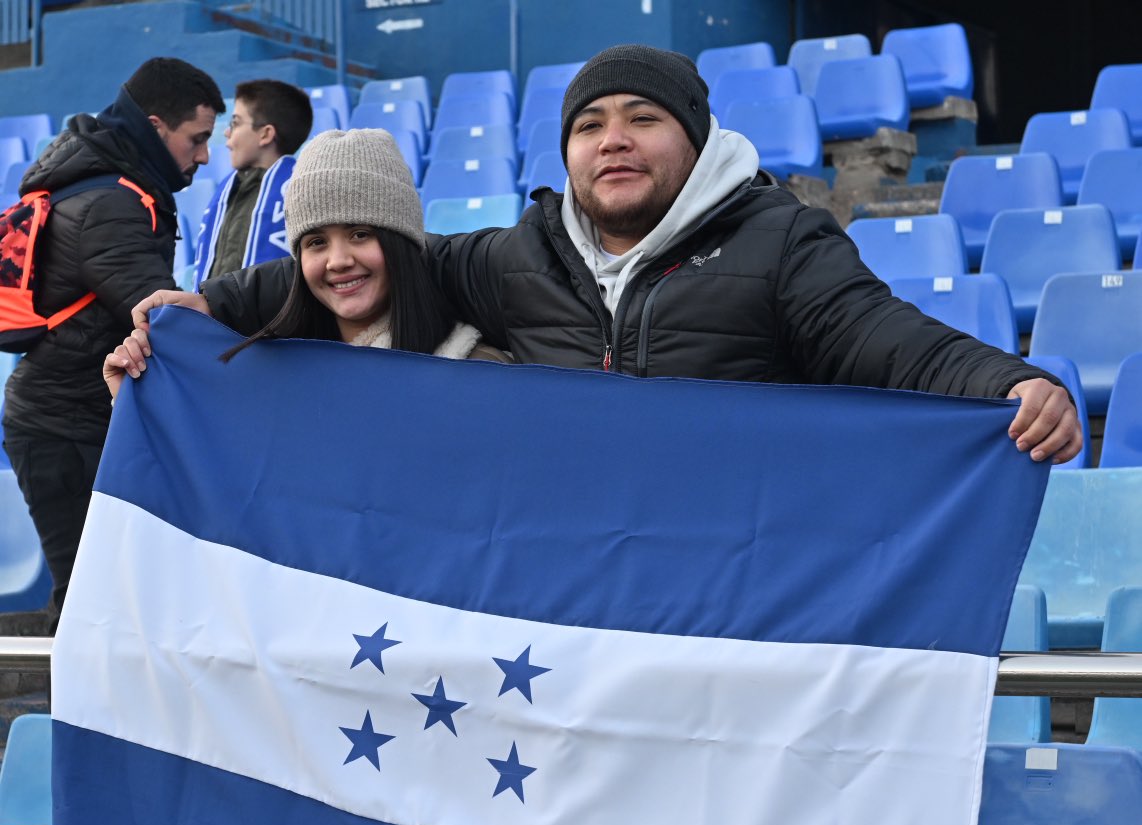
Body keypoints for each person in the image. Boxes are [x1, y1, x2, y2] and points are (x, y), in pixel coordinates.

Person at [137, 44, 1082, 465]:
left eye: (642, 118)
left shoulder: (781, 240)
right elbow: (373, 259)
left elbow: (886, 341)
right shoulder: (520, 253)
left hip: (725, 578)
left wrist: (1008, 381)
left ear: (698, 141)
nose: (613, 140)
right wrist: (202, 309)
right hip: (575, 587)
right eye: (590, 124)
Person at [2, 56, 224, 626]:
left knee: (104, 594)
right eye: (197, 139)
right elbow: (163, 315)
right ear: (155, 127)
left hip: (76, 417)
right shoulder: (110, 203)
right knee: (86, 600)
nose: (204, 156)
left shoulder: (112, 184)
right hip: (62, 427)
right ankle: (62, 713)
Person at [105, 127, 504, 401]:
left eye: (360, 234)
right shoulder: (268, 371)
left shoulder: (481, 372)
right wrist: (141, 399)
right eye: (316, 242)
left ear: (402, 242)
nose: (338, 261)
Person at [192, 79, 313, 287]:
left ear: (265, 134)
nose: (226, 132)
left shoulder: (300, 192)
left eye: (236, 123)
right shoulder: (231, 190)